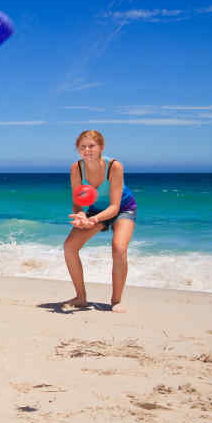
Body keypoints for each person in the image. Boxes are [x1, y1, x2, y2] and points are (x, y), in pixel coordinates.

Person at [63, 130, 137, 312]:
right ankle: (80, 297)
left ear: (101, 148)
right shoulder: (76, 169)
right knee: (69, 247)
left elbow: (114, 206)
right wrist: (81, 215)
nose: (87, 150)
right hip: (96, 210)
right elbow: (78, 202)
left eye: (91, 146)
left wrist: (93, 219)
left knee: (119, 248)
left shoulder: (114, 166)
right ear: (78, 149)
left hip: (123, 208)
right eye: (82, 147)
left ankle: (116, 300)